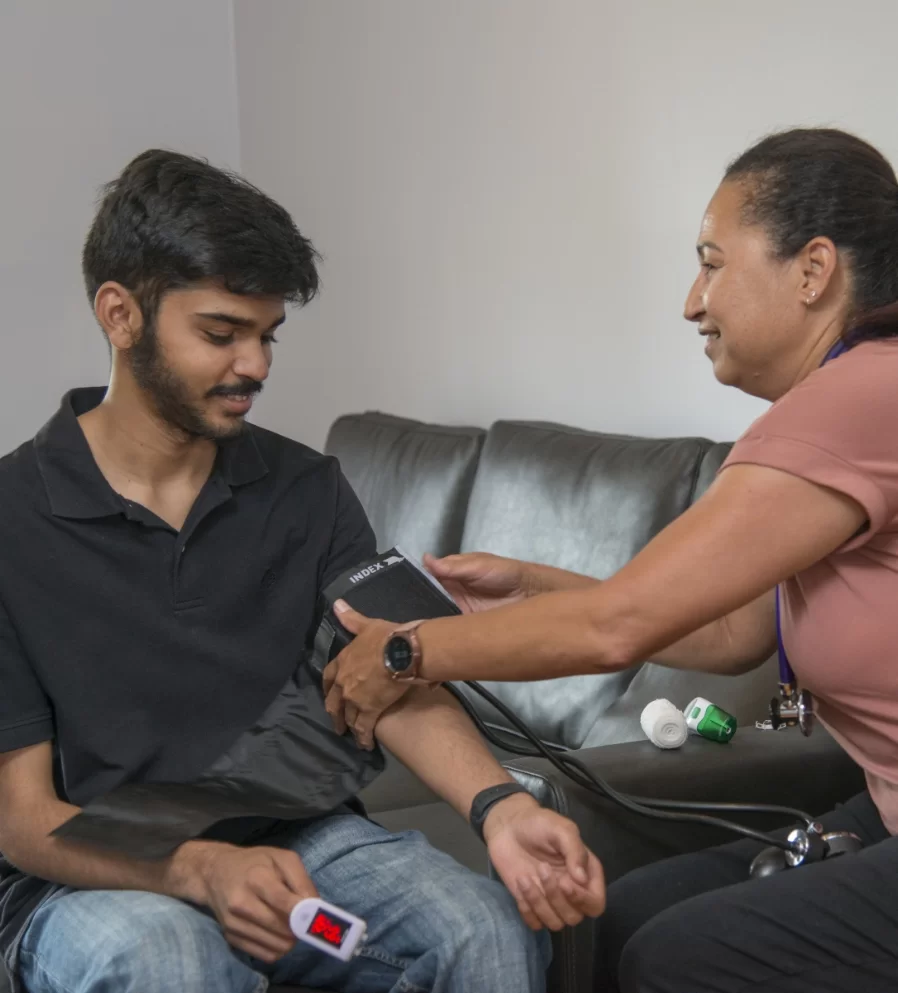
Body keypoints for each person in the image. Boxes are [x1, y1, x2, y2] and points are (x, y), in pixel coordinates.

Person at [0, 150, 606, 993]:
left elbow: (393, 674)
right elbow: (24, 821)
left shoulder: (305, 486)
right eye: (221, 333)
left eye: (266, 335)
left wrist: (500, 807)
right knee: (171, 956)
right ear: (120, 314)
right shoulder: (10, 518)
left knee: (482, 925)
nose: (256, 365)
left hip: (295, 833)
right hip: (89, 873)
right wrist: (193, 866)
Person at [323, 127, 898, 992]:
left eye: (712, 262)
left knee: (679, 959)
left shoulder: (854, 400)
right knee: (626, 914)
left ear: (813, 272)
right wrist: (527, 590)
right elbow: (738, 630)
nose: (691, 301)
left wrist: (407, 651)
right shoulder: (849, 401)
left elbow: (618, 626)